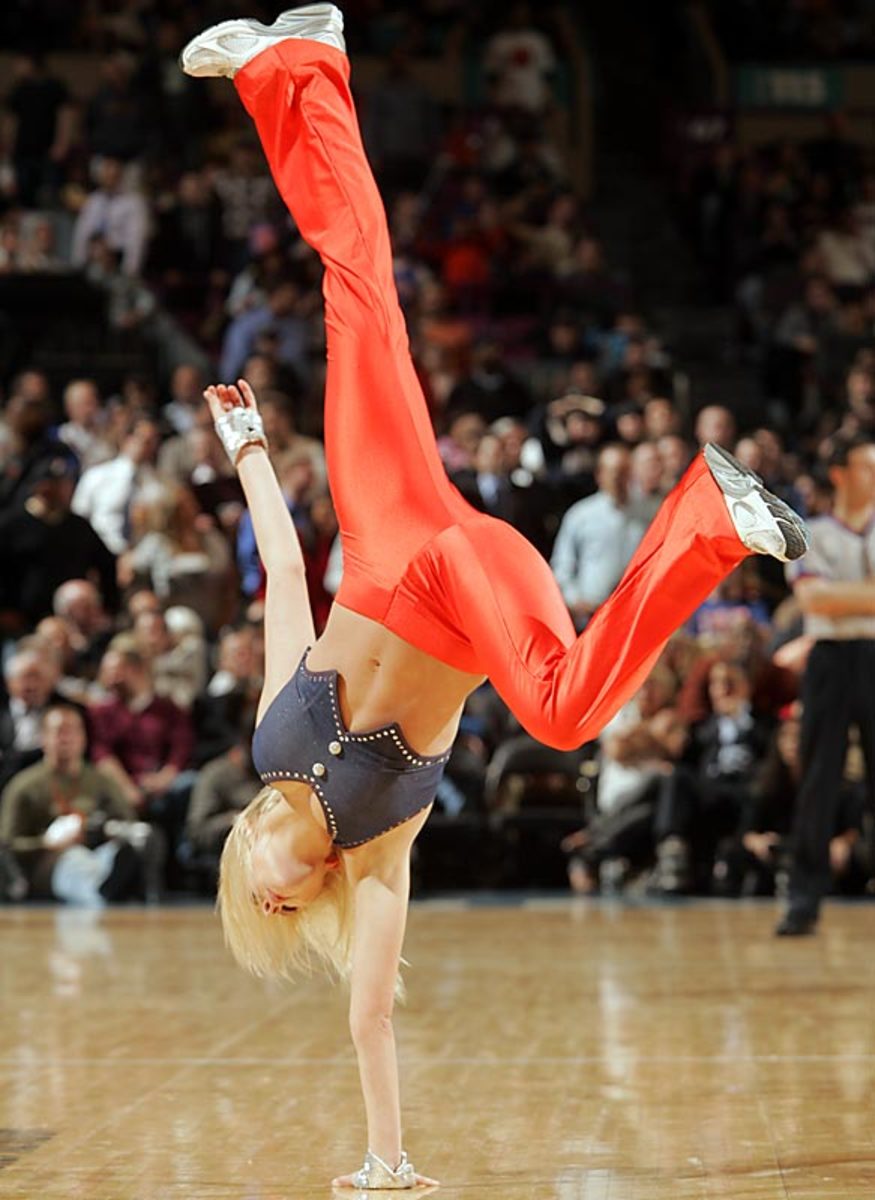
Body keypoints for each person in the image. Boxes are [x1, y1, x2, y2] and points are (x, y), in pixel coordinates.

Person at [180, 6, 809, 1189]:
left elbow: (281, 584)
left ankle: (300, 64)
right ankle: (710, 520)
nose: (255, 887)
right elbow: (370, 1019)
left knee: (358, 296)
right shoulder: (375, 857)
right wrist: (385, 1163)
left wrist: (253, 449)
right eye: (264, 913)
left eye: (238, 886)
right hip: (472, 592)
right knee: (564, 716)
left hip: (382, 536)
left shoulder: (269, 745)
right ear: (288, 901)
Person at [776, 432, 875, 935]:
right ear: (839, 474)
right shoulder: (809, 532)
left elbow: (831, 598)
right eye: (867, 466)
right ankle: (803, 899)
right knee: (818, 779)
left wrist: (842, 595)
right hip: (831, 659)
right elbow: (815, 603)